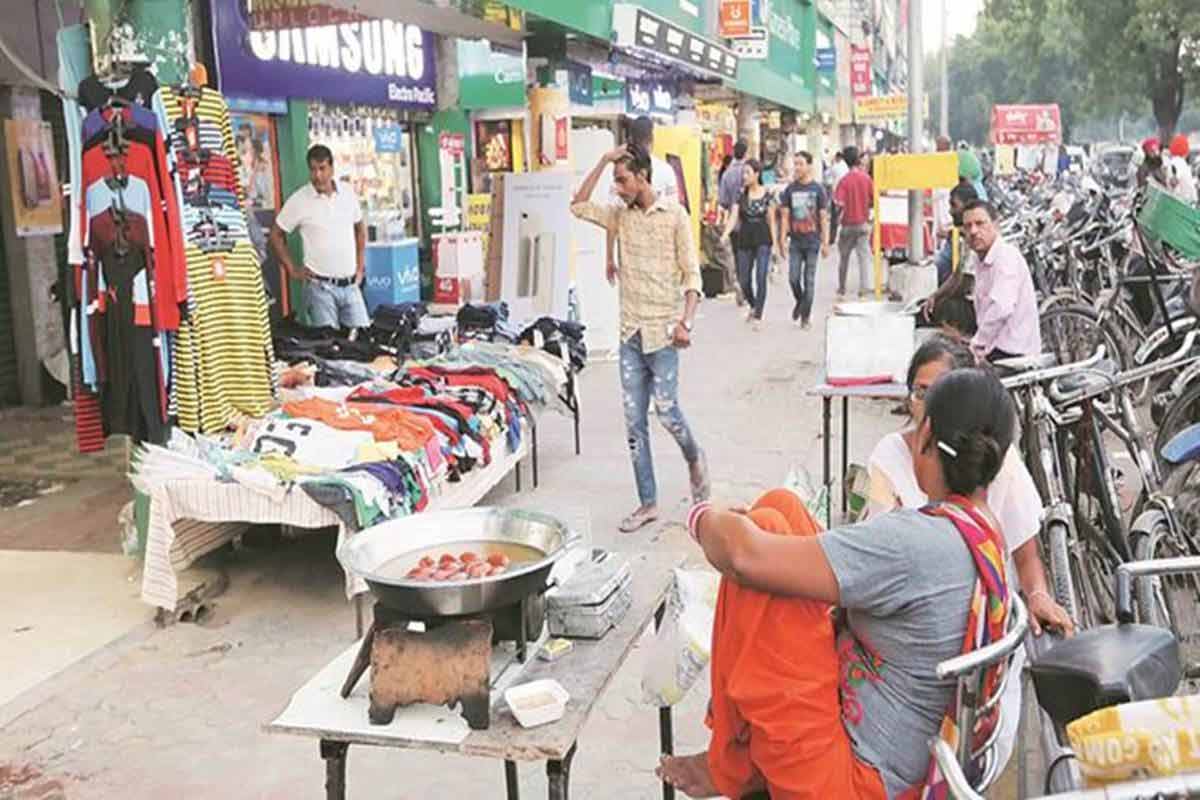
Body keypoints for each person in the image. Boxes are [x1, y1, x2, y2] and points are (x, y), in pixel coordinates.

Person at [659, 368, 1022, 799]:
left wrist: (702, 516)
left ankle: (730, 763)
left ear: (924, 434)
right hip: (892, 740)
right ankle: (735, 757)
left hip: (850, 780)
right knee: (782, 508)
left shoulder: (917, 543)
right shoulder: (982, 528)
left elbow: (743, 558)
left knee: (760, 550)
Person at [867, 335, 1075, 774]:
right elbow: (876, 548)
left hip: (974, 652)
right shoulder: (890, 457)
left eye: (939, 394)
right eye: (920, 392)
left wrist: (1037, 594)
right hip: (910, 641)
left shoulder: (990, 463)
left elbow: (1026, 553)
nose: (926, 406)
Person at [571, 144, 710, 533]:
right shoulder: (619, 215)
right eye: (615, 181)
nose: (617, 189)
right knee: (634, 424)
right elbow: (578, 206)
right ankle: (648, 503)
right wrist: (602, 159)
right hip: (629, 334)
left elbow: (692, 275)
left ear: (643, 177)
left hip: (663, 335)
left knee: (667, 413)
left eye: (623, 180)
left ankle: (694, 457)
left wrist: (686, 323)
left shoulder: (675, 216)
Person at [269, 144, 368, 331]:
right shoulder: (300, 199)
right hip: (320, 288)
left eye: (322, 168)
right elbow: (275, 235)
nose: (318, 175)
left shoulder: (347, 193)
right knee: (328, 343)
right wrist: (292, 270)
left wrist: (360, 267)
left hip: (351, 285)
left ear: (332, 169)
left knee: (363, 337)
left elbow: (360, 230)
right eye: (313, 169)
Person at [961, 200, 1041, 362]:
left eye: (980, 223)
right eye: (968, 226)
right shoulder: (979, 258)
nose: (973, 231)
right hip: (994, 346)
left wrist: (977, 344)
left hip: (1012, 352)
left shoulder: (1005, 257)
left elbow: (1001, 308)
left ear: (996, 225)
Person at [607, 116, 680, 286]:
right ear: (652, 139)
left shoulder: (620, 172)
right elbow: (674, 215)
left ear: (630, 139)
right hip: (661, 252)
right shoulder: (666, 170)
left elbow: (611, 220)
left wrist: (609, 257)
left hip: (630, 252)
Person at [777, 151, 830, 328]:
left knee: (809, 280)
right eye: (795, 164)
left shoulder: (818, 190)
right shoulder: (790, 190)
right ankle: (800, 301)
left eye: (800, 164)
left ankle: (805, 317)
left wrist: (825, 242)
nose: (797, 167)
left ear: (809, 166)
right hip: (796, 242)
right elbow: (785, 217)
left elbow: (823, 218)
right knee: (793, 278)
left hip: (813, 242)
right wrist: (782, 240)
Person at [724, 159, 775, 327]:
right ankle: (753, 304)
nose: (744, 176)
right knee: (743, 279)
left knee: (761, 276)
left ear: (757, 174)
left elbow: (771, 221)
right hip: (745, 238)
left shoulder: (767, 195)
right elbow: (734, 216)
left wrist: (776, 245)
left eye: (748, 172)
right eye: (743, 173)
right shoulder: (740, 195)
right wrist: (725, 233)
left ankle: (758, 314)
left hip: (763, 238)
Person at [833, 146, 875, 298]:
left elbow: (839, 203)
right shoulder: (867, 179)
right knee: (864, 258)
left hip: (847, 225)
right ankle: (864, 289)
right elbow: (874, 199)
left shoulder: (844, 181)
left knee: (844, 258)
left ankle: (842, 288)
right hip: (863, 224)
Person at [1166, 134, 1198, 205]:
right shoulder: (1178, 162)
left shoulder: (1176, 162)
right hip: (1183, 202)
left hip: (1182, 201)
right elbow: (1174, 181)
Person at [828, 150, 849, 241]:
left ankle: (832, 237)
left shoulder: (836, 166)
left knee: (834, 217)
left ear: (837, 157)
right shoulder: (846, 167)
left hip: (836, 195)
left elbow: (829, 174)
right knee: (843, 216)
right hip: (845, 195)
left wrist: (832, 163)